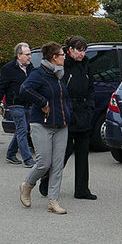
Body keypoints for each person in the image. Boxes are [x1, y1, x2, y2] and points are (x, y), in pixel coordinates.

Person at [40, 36, 97, 200]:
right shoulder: (62, 65)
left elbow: (91, 87)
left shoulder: (87, 65)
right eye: (79, 50)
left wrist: (90, 105)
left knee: (83, 153)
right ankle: (46, 182)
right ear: (69, 50)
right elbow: (57, 89)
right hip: (68, 113)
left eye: (84, 50)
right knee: (64, 152)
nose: (82, 53)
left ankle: (82, 190)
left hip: (84, 113)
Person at [19, 42, 71, 215]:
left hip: (61, 125)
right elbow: (25, 89)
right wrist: (43, 102)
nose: (64, 57)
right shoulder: (39, 73)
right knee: (43, 163)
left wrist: (68, 113)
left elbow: (63, 97)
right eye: (62, 54)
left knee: (57, 165)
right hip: (41, 124)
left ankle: (53, 201)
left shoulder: (59, 74)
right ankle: (27, 185)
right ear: (54, 58)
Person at [0, 42, 34, 167]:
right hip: (14, 104)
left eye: (30, 54)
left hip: (28, 104)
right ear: (19, 55)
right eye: (27, 54)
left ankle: (10, 154)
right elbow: (1, 87)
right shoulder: (8, 68)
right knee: (23, 130)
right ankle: (27, 159)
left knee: (22, 130)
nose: (30, 57)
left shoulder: (30, 67)